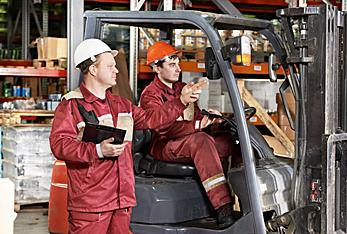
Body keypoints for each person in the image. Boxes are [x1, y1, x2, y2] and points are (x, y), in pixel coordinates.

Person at [49, 38, 202, 234]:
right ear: (93, 70)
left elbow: (151, 119)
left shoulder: (120, 104)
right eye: (110, 66)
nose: (117, 70)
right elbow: (59, 145)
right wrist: (98, 150)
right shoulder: (71, 106)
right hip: (92, 203)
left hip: (122, 199)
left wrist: (180, 101)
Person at [140, 41, 241, 229]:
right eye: (172, 65)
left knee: (232, 140)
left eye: (178, 63)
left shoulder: (182, 88)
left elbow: (196, 117)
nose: (178, 68)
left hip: (186, 140)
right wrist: (197, 125)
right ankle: (223, 208)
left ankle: (246, 199)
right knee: (200, 140)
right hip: (164, 145)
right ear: (156, 68)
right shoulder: (150, 95)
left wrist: (213, 122)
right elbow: (162, 128)